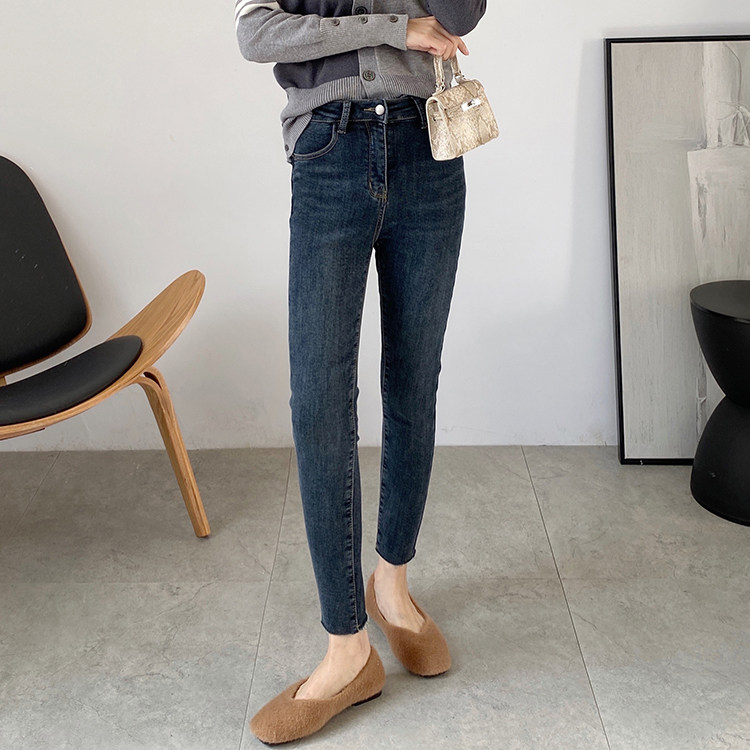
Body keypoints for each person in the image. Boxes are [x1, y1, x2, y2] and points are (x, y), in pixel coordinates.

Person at [235, 0, 486, 743]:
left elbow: (463, 14)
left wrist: (421, 25)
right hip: (331, 149)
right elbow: (257, 33)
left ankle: (393, 588)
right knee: (319, 398)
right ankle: (347, 649)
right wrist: (394, 28)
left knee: (413, 382)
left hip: (429, 147)